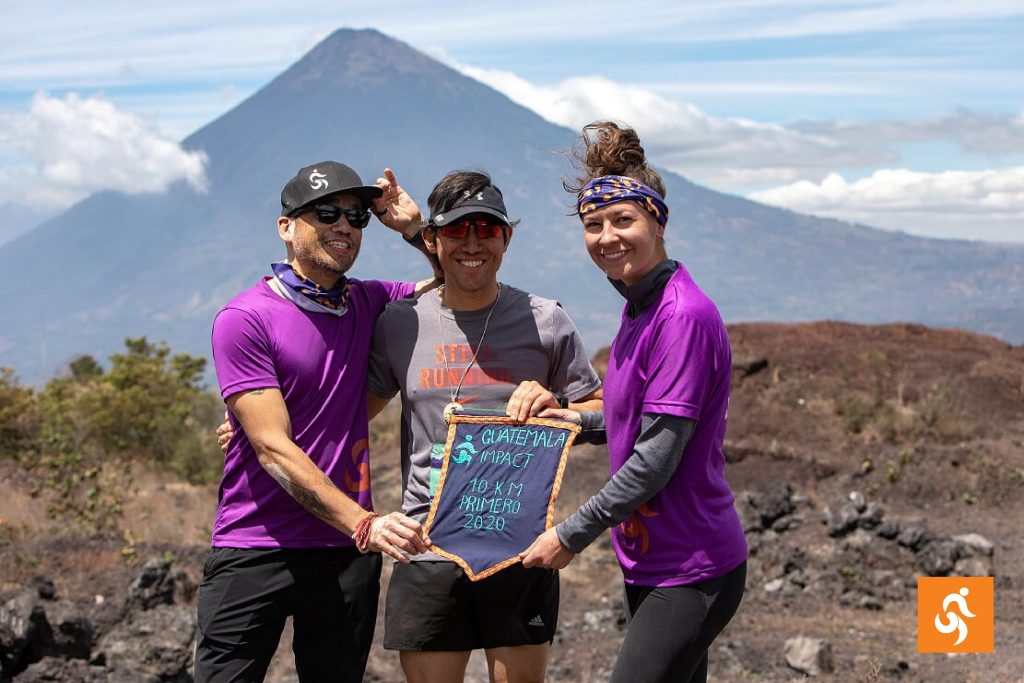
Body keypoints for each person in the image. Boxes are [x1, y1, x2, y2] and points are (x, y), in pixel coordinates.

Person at [520, 122, 748, 683]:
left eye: (623, 220)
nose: (607, 236)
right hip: (651, 556)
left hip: (690, 566)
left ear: (657, 222)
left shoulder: (680, 317)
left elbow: (656, 457)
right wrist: (572, 419)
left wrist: (570, 535)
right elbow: (634, 419)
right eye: (593, 225)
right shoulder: (640, 306)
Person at [198, 160, 436, 683]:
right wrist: (366, 524)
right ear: (286, 227)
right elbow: (272, 449)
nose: (344, 225)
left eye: (356, 216)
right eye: (325, 212)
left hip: (343, 555)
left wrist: (414, 229)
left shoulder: (368, 300)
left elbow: (457, 277)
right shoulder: (246, 318)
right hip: (256, 545)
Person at [367, 170, 603, 683]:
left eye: (487, 230)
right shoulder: (399, 323)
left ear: (506, 238)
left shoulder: (546, 320)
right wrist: (256, 422)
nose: (472, 243)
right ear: (432, 239)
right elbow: (348, 415)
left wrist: (559, 404)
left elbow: (605, 413)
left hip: (519, 546)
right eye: (456, 230)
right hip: (426, 545)